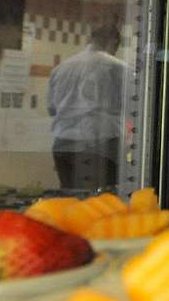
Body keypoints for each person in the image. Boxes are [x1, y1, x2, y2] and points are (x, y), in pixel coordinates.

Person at [47, 23, 127, 192]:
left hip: (63, 144)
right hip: (101, 144)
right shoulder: (117, 67)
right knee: (104, 201)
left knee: (71, 200)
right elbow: (132, 106)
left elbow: (52, 109)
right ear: (113, 42)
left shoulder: (60, 68)